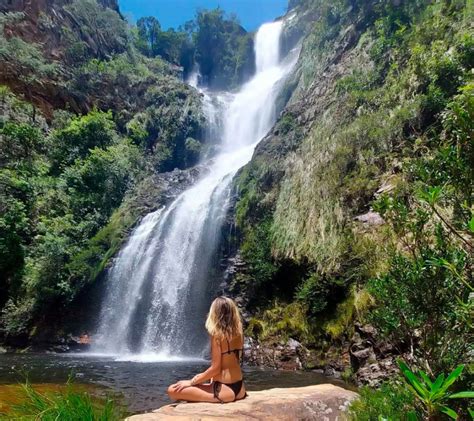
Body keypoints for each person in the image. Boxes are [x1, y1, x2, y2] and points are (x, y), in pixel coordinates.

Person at [167, 296, 247, 403]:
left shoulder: (217, 335)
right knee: (204, 381)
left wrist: (191, 382)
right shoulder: (239, 332)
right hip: (240, 388)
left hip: (223, 391)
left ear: (215, 313)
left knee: (173, 389)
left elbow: (216, 368)